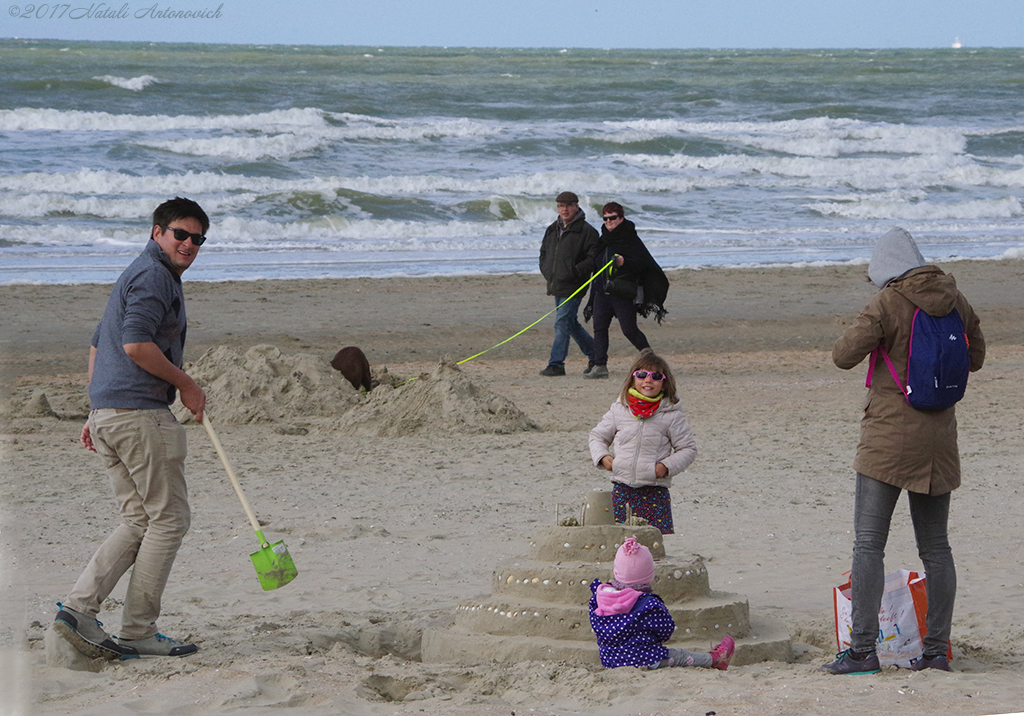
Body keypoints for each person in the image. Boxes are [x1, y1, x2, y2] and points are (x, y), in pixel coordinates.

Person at [821, 227, 985, 675]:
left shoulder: (886, 301)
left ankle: (861, 651)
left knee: (869, 543)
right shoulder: (956, 298)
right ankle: (935, 652)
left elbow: (842, 355)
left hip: (888, 438)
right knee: (936, 547)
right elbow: (977, 357)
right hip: (939, 440)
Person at [53, 197, 211, 660]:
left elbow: (98, 344)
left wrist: (97, 407)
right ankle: (139, 630)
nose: (188, 244)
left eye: (197, 238)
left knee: (139, 519)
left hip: (112, 415)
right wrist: (187, 385)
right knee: (169, 519)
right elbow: (135, 344)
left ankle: (79, 609)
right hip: (140, 416)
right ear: (156, 232)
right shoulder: (153, 276)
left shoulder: (137, 273)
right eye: (180, 234)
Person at [589, 349, 697, 534]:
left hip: (654, 492)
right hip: (622, 489)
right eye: (641, 374)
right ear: (632, 379)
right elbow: (597, 436)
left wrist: (664, 467)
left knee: (654, 544)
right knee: (621, 541)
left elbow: (688, 449)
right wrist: (603, 458)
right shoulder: (620, 409)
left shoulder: (671, 414)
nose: (648, 380)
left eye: (655, 376)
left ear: (664, 384)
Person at [589, 535, 735, 670]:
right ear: (649, 575)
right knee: (680, 656)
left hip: (610, 660)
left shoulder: (599, 598)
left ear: (616, 571)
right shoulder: (648, 604)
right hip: (645, 658)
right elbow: (666, 630)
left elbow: (596, 625)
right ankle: (714, 659)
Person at [583, 202, 669, 379]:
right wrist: (592, 297)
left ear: (621, 218)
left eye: (613, 218)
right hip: (602, 292)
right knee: (599, 328)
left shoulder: (631, 239)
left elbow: (644, 264)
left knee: (629, 329)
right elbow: (595, 269)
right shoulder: (603, 240)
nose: (608, 221)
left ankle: (650, 359)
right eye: (605, 218)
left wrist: (625, 262)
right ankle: (600, 366)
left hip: (622, 292)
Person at [538, 191, 599, 376]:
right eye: (560, 206)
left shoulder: (587, 231)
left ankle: (556, 364)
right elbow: (544, 253)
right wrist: (547, 271)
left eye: (568, 206)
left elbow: (593, 258)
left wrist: (574, 271)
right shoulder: (552, 229)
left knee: (562, 322)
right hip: (556, 283)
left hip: (575, 284)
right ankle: (596, 355)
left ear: (576, 207)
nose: (564, 209)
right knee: (570, 323)